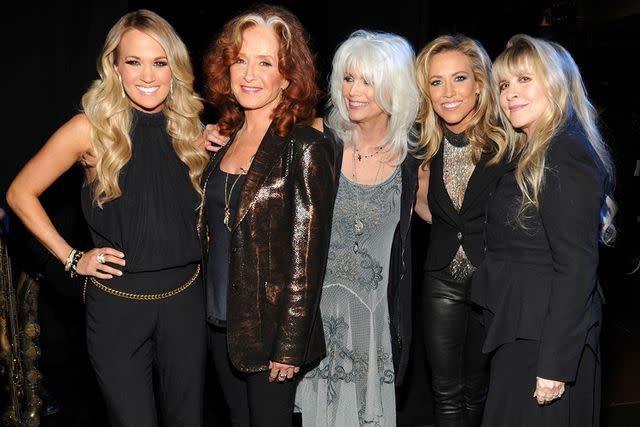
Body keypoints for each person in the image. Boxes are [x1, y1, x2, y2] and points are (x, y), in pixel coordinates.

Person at [6, 9, 209, 427]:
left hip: (187, 301)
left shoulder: (191, 127)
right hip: (118, 306)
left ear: (175, 67)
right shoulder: (90, 129)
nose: (147, 75)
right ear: (114, 66)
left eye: (160, 61)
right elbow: (19, 192)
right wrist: (71, 257)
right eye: (134, 61)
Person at [199, 4, 335, 426]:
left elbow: (308, 259)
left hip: (270, 333)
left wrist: (290, 345)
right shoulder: (223, 139)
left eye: (265, 63)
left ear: (288, 75)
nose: (250, 74)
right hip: (218, 324)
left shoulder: (306, 147)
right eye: (240, 61)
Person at [470, 34, 615, 426]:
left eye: (524, 80)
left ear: (556, 84)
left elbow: (577, 266)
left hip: (546, 339)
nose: (510, 94)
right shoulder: (532, 149)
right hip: (524, 329)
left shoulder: (565, 152)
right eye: (504, 85)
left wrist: (555, 364)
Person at [289, 30, 421, 426]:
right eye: (348, 78)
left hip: (371, 325)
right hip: (313, 321)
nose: (353, 90)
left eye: (368, 80)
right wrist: (217, 132)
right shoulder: (318, 141)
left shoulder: (414, 163)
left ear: (394, 89)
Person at [413, 34, 507, 427]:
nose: (448, 92)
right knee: (446, 391)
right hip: (441, 281)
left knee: (479, 387)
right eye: (436, 82)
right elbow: (425, 209)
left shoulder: (508, 142)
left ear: (479, 83)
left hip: (493, 280)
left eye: (459, 78)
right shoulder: (423, 147)